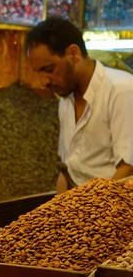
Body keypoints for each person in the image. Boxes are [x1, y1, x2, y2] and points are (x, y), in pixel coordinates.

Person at [25, 17, 133, 194]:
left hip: (112, 211)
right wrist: (58, 214)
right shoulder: (66, 102)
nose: (43, 82)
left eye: (49, 69)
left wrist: (90, 216)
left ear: (74, 54)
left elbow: (127, 170)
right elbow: (67, 170)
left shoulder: (122, 91)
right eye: (38, 72)